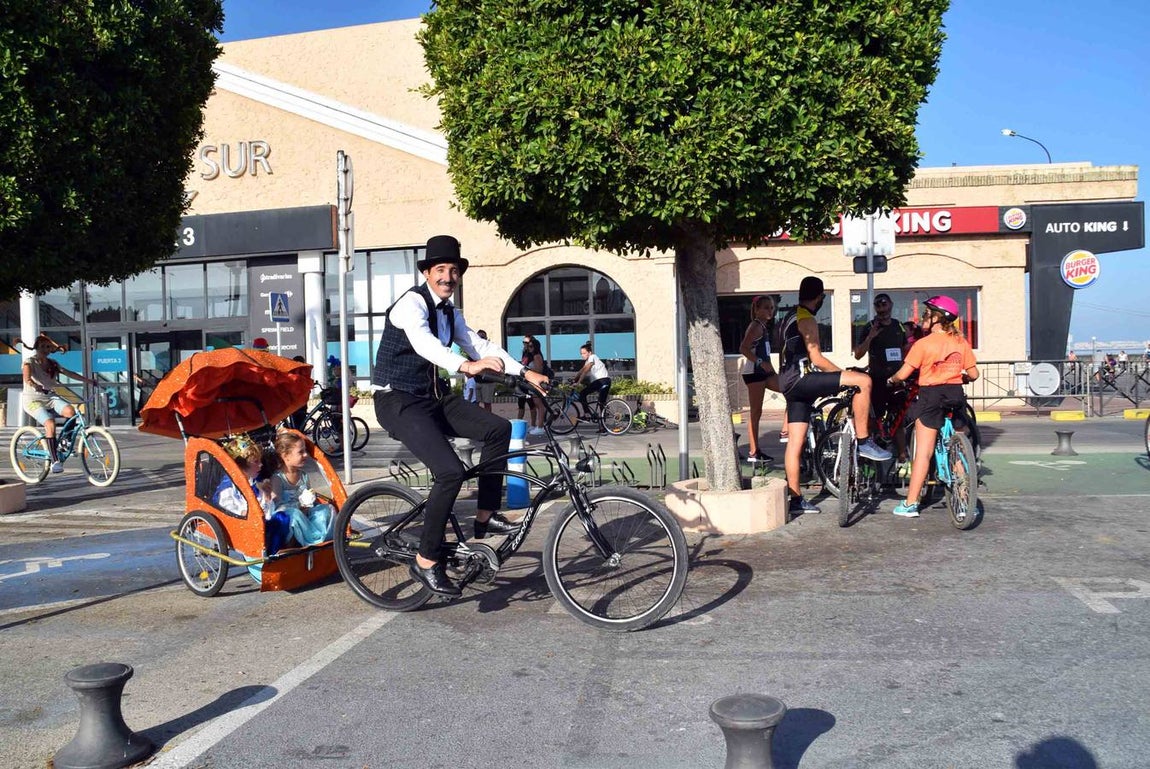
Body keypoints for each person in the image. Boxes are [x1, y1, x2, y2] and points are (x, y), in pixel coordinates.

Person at [371, 234, 549, 596]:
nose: (448, 277)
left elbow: (481, 345)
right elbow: (426, 346)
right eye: (440, 270)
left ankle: (485, 516)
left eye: (453, 270)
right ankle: (426, 560)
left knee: (498, 430)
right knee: (450, 472)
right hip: (397, 401)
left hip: (432, 398)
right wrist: (467, 366)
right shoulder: (411, 304)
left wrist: (525, 372)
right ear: (427, 272)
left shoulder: (451, 313)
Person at [778, 277, 891, 515]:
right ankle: (863, 441)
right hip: (802, 379)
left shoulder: (788, 316)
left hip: (788, 383)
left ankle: (796, 499)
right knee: (863, 381)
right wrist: (843, 373)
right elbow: (817, 358)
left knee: (795, 444)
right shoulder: (806, 318)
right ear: (819, 298)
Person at [887, 295, 979, 518]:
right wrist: (961, 378)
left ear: (937, 318)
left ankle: (910, 504)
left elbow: (904, 373)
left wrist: (892, 380)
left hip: (931, 396)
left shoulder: (923, 344)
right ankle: (967, 503)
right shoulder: (960, 342)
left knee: (923, 452)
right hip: (956, 395)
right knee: (958, 451)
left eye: (927, 313)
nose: (924, 317)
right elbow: (974, 374)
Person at [213, 433, 292, 578]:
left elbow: (263, 507)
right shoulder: (228, 487)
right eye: (256, 462)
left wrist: (267, 497)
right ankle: (270, 558)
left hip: (256, 521)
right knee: (281, 519)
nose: (261, 465)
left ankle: (278, 554)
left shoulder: (252, 482)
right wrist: (244, 511)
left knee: (284, 516)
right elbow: (226, 506)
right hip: (240, 524)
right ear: (241, 465)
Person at [19, 334, 98, 473]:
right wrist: (34, 385)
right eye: (42, 346)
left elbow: (70, 373)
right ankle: (55, 461)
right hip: (33, 400)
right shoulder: (29, 362)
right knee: (50, 423)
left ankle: (64, 442)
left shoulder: (53, 363)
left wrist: (89, 381)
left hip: (50, 397)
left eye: (48, 347)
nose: (45, 349)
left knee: (71, 412)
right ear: (37, 348)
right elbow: (27, 378)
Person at [852, 292, 909, 461]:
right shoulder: (869, 326)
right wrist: (871, 336)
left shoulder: (898, 326)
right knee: (874, 419)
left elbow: (906, 348)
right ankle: (871, 455)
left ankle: (902, 456)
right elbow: (858, 354)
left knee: (898, 419)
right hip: (877, 379)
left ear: (891, 305)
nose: (881, 308)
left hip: (897, 379)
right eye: (878, 305)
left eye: (884, 304)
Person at [269, 431, 335, 546]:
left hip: (305, 513)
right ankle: (311, 541)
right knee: (294, 515)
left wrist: (310, 502)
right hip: (290, 519)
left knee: (325, 509)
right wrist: (298, 507)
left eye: (305, 451)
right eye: (301, 452)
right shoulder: (278, 478)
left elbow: (310, 495)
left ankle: (322, 538)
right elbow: (277, 506)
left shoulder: (303, 475)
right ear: (286, 456)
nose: (305, 455)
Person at [738, 295, 782, 463]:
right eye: (766, 307)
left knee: (790, 388)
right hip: (754, 373)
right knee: (756, 412)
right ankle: (754, 451)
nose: (770, 311)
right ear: (757, 309)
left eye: (771, 307)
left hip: (764, 372)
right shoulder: (756, 326)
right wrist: (760, 362)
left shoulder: (763, 327)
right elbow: (743, 348)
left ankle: (785, 431)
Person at [573, 342, 611, 430]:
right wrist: (573, 380)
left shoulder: (593, 357)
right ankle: (591, 417)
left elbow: (586, 370)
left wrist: (578, 382)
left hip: (603, 381)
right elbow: (581, 370)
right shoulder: (588, 360)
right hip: (601, 381)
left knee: (599, 401)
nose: (582, 355)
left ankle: (589, 416)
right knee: (586, 396)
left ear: (589, 353)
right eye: (581, 354)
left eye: (584, 353)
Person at [516, 334, 542, 432]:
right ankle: (518, 424)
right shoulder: (525, 352)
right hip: (523, 380)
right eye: (524, 342)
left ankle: (534, 424)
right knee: (521, 403)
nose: (525, 345)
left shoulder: (534, 354)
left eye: (527, 343)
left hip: (529, 381)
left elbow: (537, 368)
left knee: (532, 403)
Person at [474, 330, 497, 412]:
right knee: (475, 403)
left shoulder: (490, 350)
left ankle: (488, 421)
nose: (481, 339)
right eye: (479, 337)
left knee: (487, 403)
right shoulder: (474, 351)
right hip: (477, 380)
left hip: (488, 381)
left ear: (486, 338)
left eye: (482, 337)